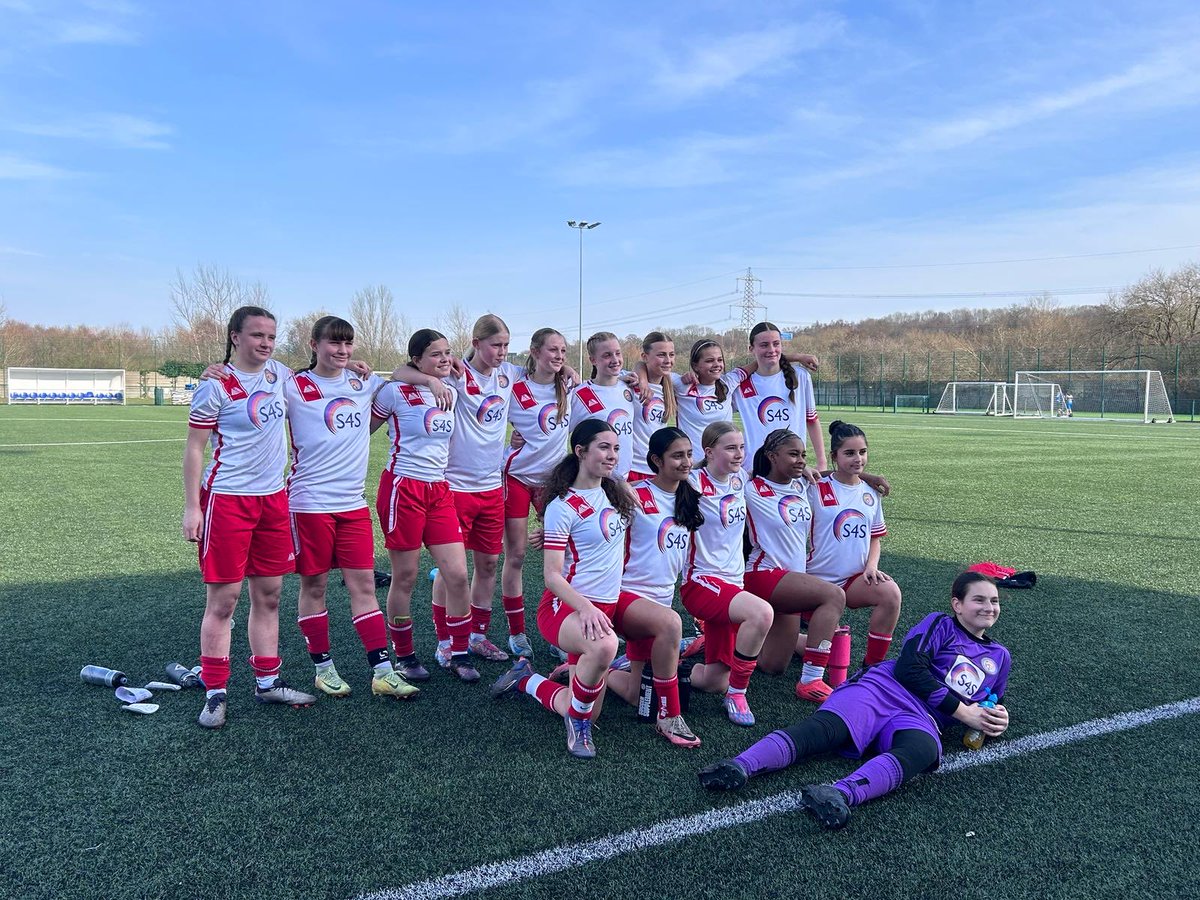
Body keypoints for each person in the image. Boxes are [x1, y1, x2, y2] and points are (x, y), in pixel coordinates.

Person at [698, 571, 1012, 831]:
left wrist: (996, 718)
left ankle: (839, 793)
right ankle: (739, 766)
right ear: (957, 604)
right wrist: (963, 713)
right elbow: (909, 669)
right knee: (827, 730)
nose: (989, 607)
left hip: (921, 718)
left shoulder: (1000, 657)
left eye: (994, 601)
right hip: (884, 688)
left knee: (924, 750)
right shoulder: (940, 624)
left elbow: (987, 702)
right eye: (979, 599)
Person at [183, 305, 317, 729]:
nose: (265, 343)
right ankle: (215, 692)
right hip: (227, 501)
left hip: (273, 500)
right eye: (257, 335)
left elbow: (326, 378)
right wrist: (192, 507)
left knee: (270, 596)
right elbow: (194, 449)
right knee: (223, 602)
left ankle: (268, 682)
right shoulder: (215, 386)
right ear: (235, 336)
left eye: (271, 336)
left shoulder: (280, 374)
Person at [285, 316, 418, 701]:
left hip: (352, 504)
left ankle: (382, 672)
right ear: (314, 344)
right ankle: (323, 669)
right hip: (309, 503)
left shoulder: (362, 382)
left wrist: (432, 379)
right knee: (316, 585)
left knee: (363, 585)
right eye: (333, 343)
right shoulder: (293, 386)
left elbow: (402, 373)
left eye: (347, 344)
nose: (341, 351)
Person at [489, 419, 632, 759]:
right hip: (566, 608)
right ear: (580, 452)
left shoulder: (617, 492)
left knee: (583, 704)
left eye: (615, 448)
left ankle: (525, 679)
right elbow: (552, 576)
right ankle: (577, 727)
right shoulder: (562, 506)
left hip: (604, 608)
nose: (612, 455)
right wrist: (584, 608)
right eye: (604, 447)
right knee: (605, 646)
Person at [393, 314, 524, 665]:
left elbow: (544, 371)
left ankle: (477, 635)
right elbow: (398, 374)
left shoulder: (509, 374)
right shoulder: (455, 372)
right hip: (455, 485)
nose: (502, 352)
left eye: (506, 345)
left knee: (488, 564)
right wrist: (427, 379)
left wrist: (569, 372)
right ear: (476, 342)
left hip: (492, 485)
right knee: (453, 571)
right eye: (496, 345)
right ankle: (446, 640)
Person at [371, 329, 478, 683]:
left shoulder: (454, 386)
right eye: (436, 354)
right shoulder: (395, 391)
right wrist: (427, 381)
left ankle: (457, 652)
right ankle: (404, 655)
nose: (445, 359)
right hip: (404, 488)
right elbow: (362, 431)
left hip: (439, 490)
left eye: (448, 352)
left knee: (459, 575)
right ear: (417, 359)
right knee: (405, 576)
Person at [602, 426, 703, 747]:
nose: (686, 462)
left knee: (635, 694)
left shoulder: (691, 496)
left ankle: (589, 673)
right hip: (624, 598)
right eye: (677, 456)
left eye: (689, 454)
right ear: (656, 460)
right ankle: (669, 716)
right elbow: (590, 516)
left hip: (659, 604)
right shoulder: (633, 494)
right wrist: (549, 538)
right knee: (671, 625)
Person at [681, 421, 775, 726]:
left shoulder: (740, 480)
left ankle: (650, 666)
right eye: (731, 448)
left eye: (742, 447)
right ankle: (737, 694)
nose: (739, 454)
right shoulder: (691, 482)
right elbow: (648, 491)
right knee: (761, 614)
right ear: (709, 452)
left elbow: (787, 477)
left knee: (713, 680)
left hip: (732, 585)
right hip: (701, 583)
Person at [743, 428, 846, 702]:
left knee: (773, 666)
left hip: (790, 582)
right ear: (772, 456)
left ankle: (731, 638)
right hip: (763, 575)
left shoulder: (802, 485)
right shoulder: (751, 488)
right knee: (833, 595)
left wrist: (869, 477)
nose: (801, 460)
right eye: (793, 454)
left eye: (803, 454)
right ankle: (811, 680)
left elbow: (836, 478)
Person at [501, 327, 572, 659]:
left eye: (563, 351)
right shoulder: (513, 387)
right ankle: (517, 633)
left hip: (554, 484)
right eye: (553, 350)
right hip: (516, 479)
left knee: (561, 559)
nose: (558, 357)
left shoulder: (569, 385)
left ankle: (560, 632)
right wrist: (510, 441)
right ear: (533, 351)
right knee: (515, 556)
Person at [806, 421, 901, 669]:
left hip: (852, 581)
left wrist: (871, 565)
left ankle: (872, 667)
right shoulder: (815, 488)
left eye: (862, 452)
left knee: (891, 594)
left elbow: (874, 536)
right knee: (776, 660)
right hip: (814, 580)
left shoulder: (871, 493)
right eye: (849, 453)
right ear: (833, 456)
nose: (858, 459)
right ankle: (800, 640)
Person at [671, 338, 820, 466]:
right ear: (695, 365)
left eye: (720, 360)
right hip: (691, 466)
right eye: (709, 361)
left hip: (722, 466)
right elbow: (653, 368)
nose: (716, 364)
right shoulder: (681, 384)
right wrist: (645, 380)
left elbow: (761, 361)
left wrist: (797, 357)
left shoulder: (729, 382)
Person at [733, 322, 826, 472]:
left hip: (794, 467)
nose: (771, 350)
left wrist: (822, 462)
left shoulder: (800, 376)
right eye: (764, 345)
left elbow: (812, 420)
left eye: (776, 344)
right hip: (753, 470)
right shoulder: (739, 385)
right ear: (751, 349)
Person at [570, 332, 638, 479]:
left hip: (624, 477)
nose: (615, 360)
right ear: (593, 360)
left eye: (618, 353)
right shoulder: (581, 394)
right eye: (607, 355)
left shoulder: (629, 387)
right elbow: (561, 431)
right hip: (595, 478)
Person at [627, 332, 677, 483]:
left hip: (658, 469)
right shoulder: (630, 381)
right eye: (661, 355)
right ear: (645, 356)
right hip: (631, 469)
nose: (668, 360)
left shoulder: (674, 384)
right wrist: (642, 381)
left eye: (672, 354)